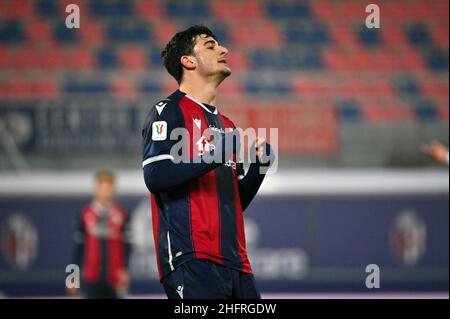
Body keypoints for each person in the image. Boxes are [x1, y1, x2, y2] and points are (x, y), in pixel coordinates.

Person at [141, 25, 275, 299]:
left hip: (236, 262)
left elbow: (234, 201)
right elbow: (155, 176)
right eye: (211, 45)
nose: (223, 50)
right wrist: (215, 156)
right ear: (188, 61)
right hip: (191, 258)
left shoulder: (226, 126)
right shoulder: (166, 111)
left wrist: (258, 168)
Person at [68, 170, 132, 299]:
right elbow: (78, 250)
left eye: (109, 188)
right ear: (96, 189)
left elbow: (127, 247)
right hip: (91, 278)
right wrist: (72, 278)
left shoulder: (122, 215)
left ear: (114, 189)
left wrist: (125, 269)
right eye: (103, 188)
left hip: (115, 279)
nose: (106, 192)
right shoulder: (84, 214)